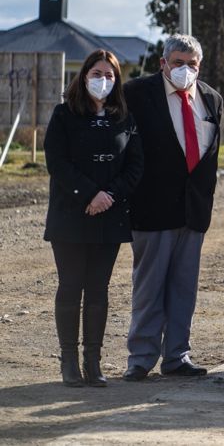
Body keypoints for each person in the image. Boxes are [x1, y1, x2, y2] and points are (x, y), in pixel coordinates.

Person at [122, 34, 223, 381]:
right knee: (149, 288)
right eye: (178, 62)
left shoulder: (211, 99)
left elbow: (209, 157)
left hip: (193, 211)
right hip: (151, 208)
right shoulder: (136, 94)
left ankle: (177, 355)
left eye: (191, 64)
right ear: (163, 63)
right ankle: (141, 358)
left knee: (183, 289)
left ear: (200, 66)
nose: (185, 69)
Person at [43, 50, 144, 387]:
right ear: (84, 76)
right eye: (97, 73)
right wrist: (89, 195)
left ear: (117, 80)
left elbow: (135, 166)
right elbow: (57, 162)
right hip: (71, 216)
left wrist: (109, 195)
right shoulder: (64, 114)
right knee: (71, 286)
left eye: (109, 75)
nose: (103, 80)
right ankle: (69, 360)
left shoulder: (124, 118)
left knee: (99, 289)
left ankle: (93, 361)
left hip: (109, 216)